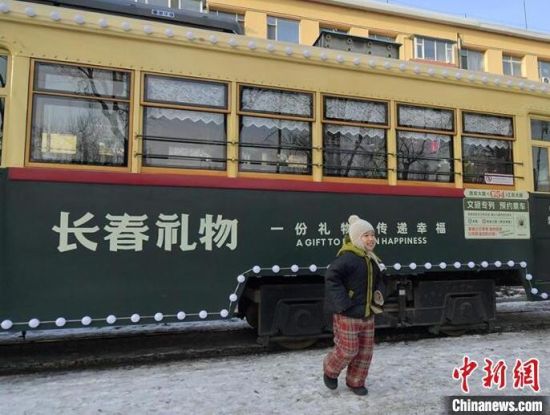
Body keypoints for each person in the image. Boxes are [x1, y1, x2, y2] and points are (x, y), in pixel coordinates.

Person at [323, 214, 385, 396]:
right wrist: (343, 303)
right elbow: (331, 279)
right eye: (366, 235)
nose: (371, 239)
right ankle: (330, 369)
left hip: (368, 313)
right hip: (348, 313)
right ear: (357, 238)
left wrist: (379, 294)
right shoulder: (347, 258)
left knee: (365, 353)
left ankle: (356, 381)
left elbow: (380, 281)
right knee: (348, 349)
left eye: (372, 235)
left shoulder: (373, 259)